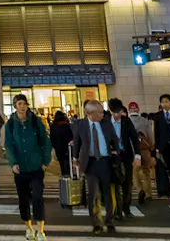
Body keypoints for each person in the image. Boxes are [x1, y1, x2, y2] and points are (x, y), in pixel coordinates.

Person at [4, 94, 51, 241]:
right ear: (15, 106)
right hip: (20, 168)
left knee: (38, 197)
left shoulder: (36, 121)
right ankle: (28, 228)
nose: (22, 106)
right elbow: (9, 145)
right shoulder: (10, 124)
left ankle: (41, 230)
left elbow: (45, 142)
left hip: (36, 165)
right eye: (19, 104)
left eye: (24, 103)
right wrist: (13, 162)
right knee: (23, 199)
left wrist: (45, 161)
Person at [72, 99, 119, 235]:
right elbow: (77, 142)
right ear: (90, 113)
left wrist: (116, 151)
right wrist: (75, 158)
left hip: (106, 162)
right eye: (99, 112)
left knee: (108, 194)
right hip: (90, 163)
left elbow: (115, 139)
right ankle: (96, 223)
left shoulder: (106, 123)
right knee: (93, 194)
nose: (103, 114)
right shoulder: (80, 124)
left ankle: (110, 221)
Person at [107, 99, 141, 221]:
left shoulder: (126, 121)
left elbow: (134, 138)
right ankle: (117, 211)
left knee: (127, 183)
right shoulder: (106, 121)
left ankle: (126, 209)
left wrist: (138, 154)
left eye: (119, 111)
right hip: (112, 156)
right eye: (115, 112)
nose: (117, 115)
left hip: (126, 154)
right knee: (115, 183)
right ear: (110, 111)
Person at [127, 102, 154, 204]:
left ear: (129, 110)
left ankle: (140, 190)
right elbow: (150, 135)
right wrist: (152, 146)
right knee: (146, 171)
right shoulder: (145, 121)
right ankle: (148, 194)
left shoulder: (127, 121)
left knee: (135, 172)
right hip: (145, 149)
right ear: (138, 110)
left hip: (134, 151)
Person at [48, 111, 74, 177]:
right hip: (67, 147)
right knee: (68, 161)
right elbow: (71, 136)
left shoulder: (53, 126)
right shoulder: (67, 125)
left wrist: (54, 146)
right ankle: (68, 174)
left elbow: (52, 138)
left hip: (58, 148)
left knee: (61, 162)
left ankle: (63, 174)